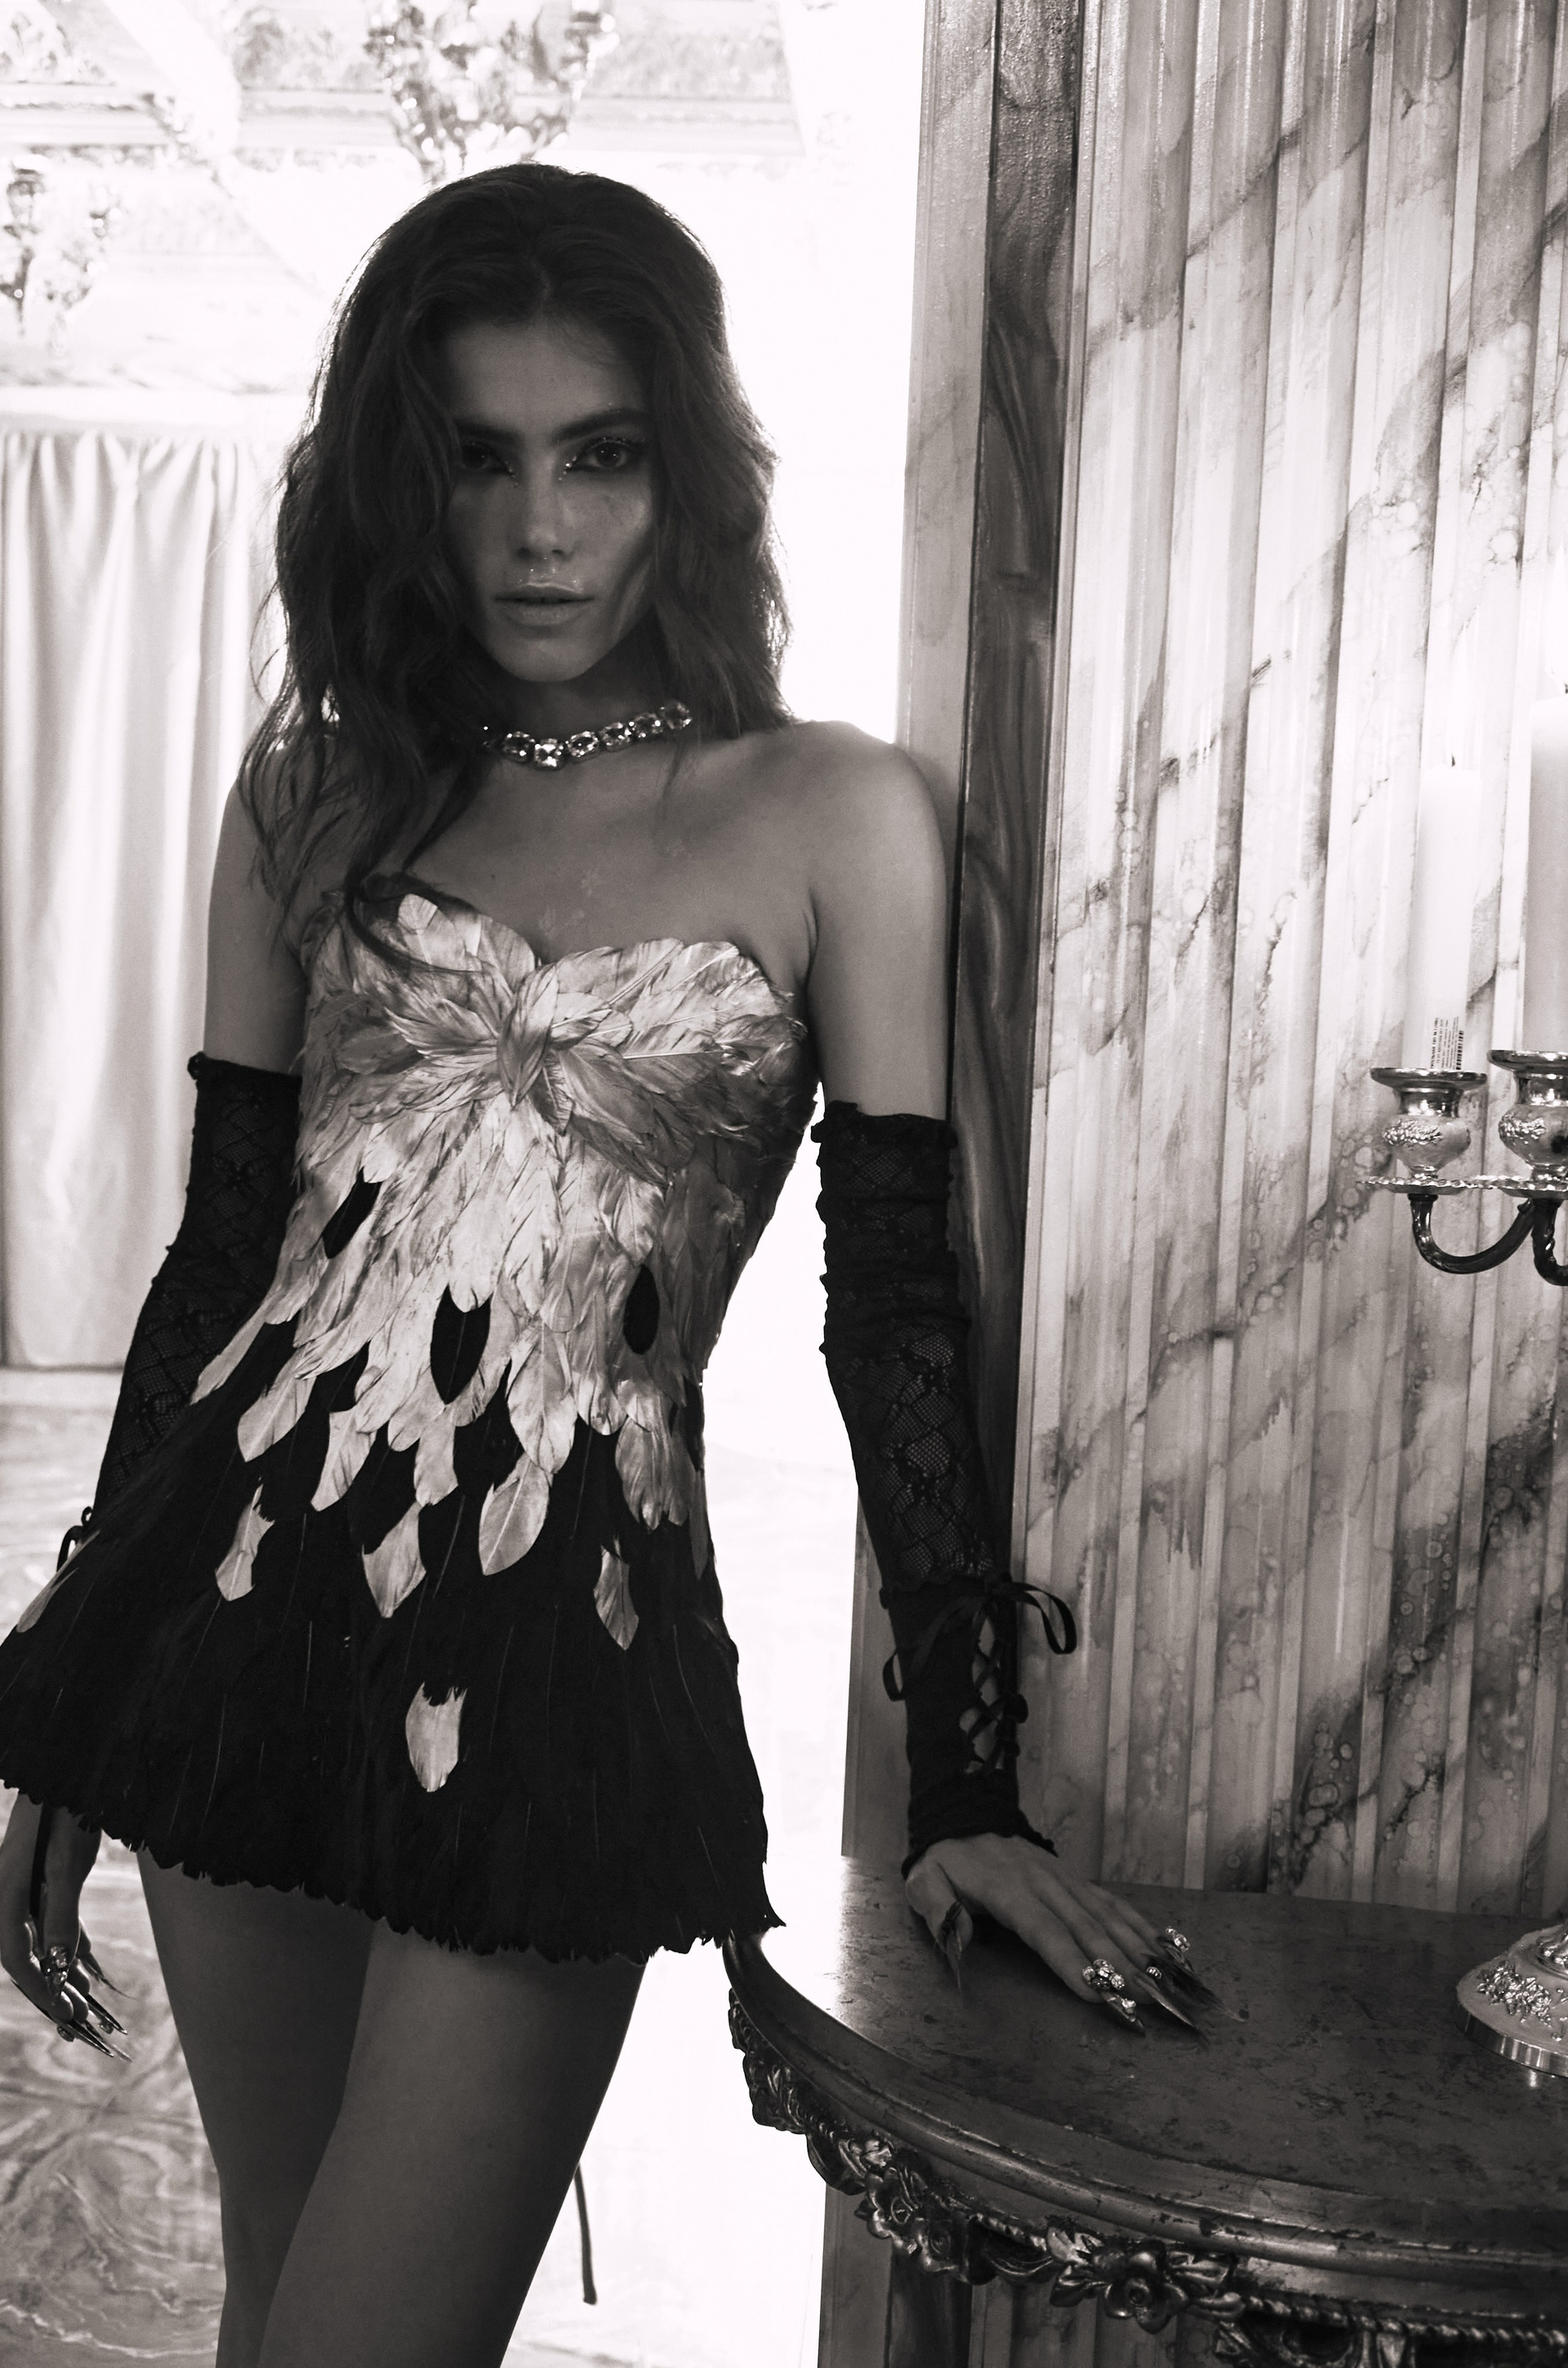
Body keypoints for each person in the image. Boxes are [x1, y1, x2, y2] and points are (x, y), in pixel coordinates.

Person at [0, 163, 1200, 2368]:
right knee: (278, 2304)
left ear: (688, 476)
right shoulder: (313, 796)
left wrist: (966, 1782)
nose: (540, 530)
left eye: (602, 455)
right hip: (231, 1612)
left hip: (563, 1652)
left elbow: (896, 1303)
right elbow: (222, 1254)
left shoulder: (837, 814)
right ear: (401, 485)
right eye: (479, 460)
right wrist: (78, 1680)